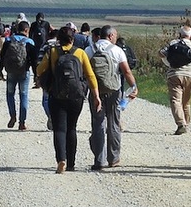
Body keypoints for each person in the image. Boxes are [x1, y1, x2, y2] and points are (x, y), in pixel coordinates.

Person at [37, 26, 100, 174]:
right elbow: (90, 75)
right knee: (72, 128)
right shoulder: (80, 53)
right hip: (76, 96)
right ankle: (71, 163)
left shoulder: (52, 52)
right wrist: (96, 95)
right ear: (73, 39)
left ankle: (61, 160)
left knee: (59, 128)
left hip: (56, 94)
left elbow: (40, 70)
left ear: (58, 39)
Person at [85, 25, 137, 170]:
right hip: (114, 91)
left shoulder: (89, 50)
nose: (116, 37)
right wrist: (134, 86)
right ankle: (113, 159)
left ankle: (99, 160)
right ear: (110, 36)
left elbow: (84, 71)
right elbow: (126, 71)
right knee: (113, 124)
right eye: (115, 35)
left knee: (98, 124)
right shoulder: (117, 50)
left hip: (96, 92)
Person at [159, 26, 191, 135]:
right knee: (186, 102)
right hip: (190, 75)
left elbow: (161, 53)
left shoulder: (173, 43)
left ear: (180, 34)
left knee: (175, 100)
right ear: (190, 35)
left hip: (174, 74)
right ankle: (186, 124)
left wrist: (168, 61)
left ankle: (180, 124)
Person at [0, 21, 38, 131]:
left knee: (10, 94)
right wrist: (36, 75)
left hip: (11, 72)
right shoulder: (29, 42)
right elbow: (34, 61)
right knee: (23, 95)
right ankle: (22, 122)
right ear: (26, 30)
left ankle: (13, 116)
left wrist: (0, 71)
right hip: (24, 72)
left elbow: (2, 57)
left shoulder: (9, 40)